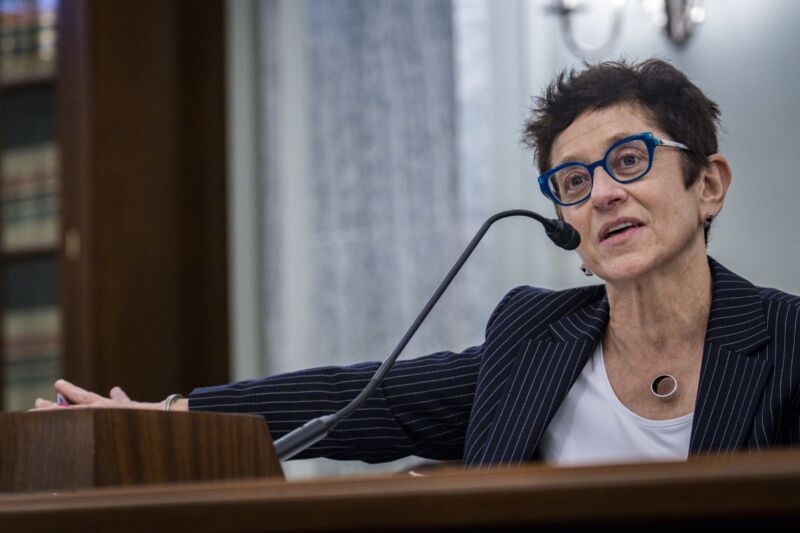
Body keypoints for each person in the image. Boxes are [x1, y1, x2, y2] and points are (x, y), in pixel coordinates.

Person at [34, 58, 800, 467]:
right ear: (564, 219)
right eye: (573, 180)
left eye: (628, 160)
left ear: (708, 184)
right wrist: (167, 419)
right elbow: (360, 401)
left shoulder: (788, 342)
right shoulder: (534, 338)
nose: (602, 193)